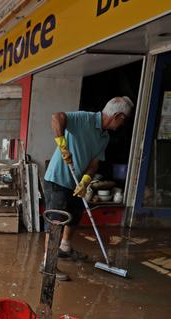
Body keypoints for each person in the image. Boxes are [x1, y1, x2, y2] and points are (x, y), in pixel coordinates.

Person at [42, 96, 134, 281]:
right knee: (56, 223)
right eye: (124, 119)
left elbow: (94, 163)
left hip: (76, 182)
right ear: (118, 116)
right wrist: (61, 142)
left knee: (75, 216)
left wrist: (85, 180)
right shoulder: (85, 118)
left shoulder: (104, 137)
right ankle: (48, 264)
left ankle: (65, 248)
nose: (123, 124)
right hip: (58, 179)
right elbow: (56, 117)